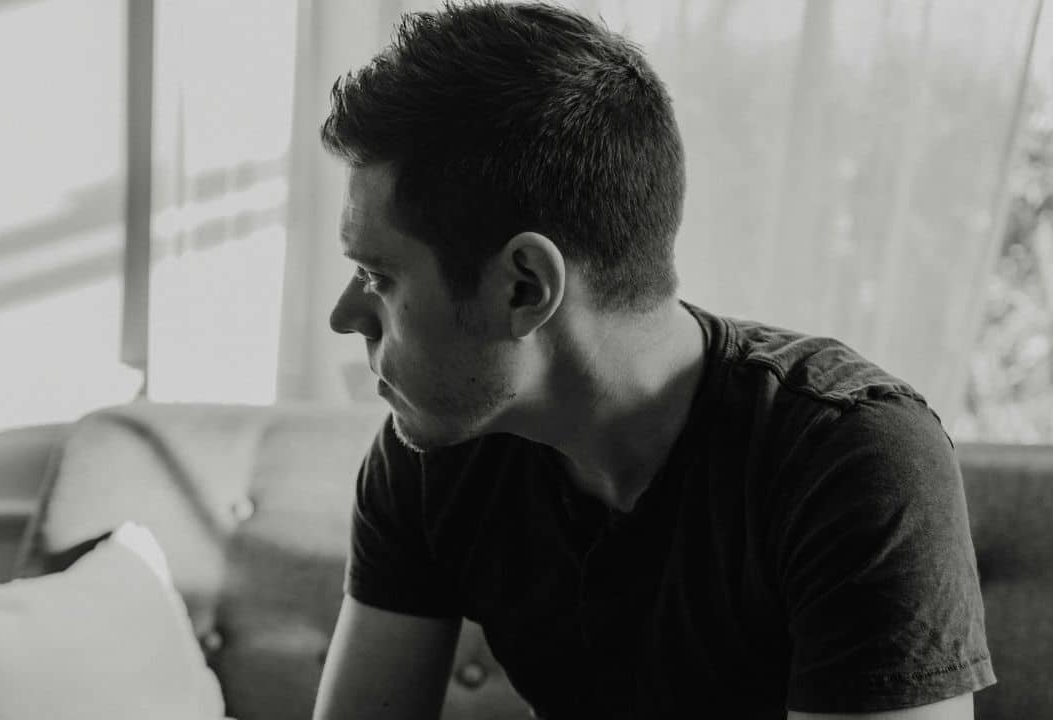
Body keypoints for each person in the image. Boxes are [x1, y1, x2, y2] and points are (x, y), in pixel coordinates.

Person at [312, 2, 995, 718]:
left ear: (525, 287)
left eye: (379, 277)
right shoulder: (434, 449)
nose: (344, 316)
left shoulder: (852, 462)